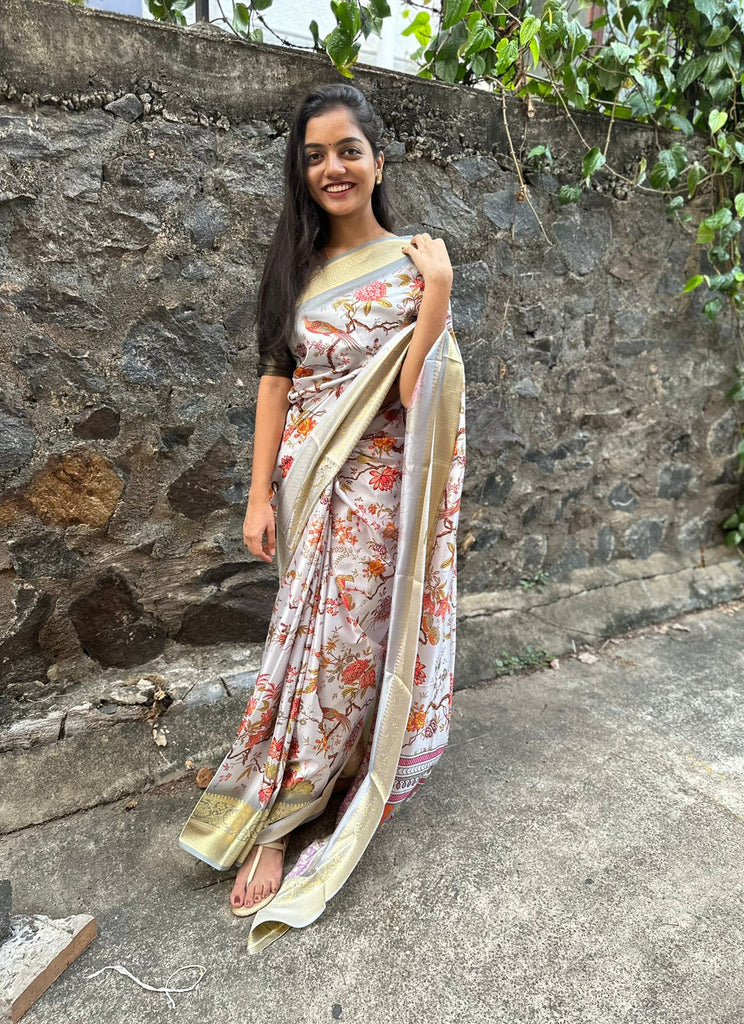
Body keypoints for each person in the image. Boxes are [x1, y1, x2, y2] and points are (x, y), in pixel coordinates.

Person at [178, 81, 466, 955]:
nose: (332, 168)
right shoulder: (295, 268)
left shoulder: (414, 264)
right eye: (314, 156)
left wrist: (439, 292)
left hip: (380, 497)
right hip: (309, 489)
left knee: (352, 651)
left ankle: (296, 807)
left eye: (348, 150)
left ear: (379, 159)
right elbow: (277, 382)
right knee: (308, 648)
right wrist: (257, 495)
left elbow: (414, 395)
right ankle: (285, 801)